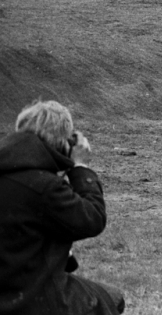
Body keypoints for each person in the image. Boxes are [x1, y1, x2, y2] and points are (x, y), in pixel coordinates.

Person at [0, 100, 125, 314]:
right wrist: (81, 168)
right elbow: (92, 219)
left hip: (9, 288)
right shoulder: (43, 186)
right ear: (62, 142)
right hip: (30, 298)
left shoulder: (11, 172)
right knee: (113, 298)